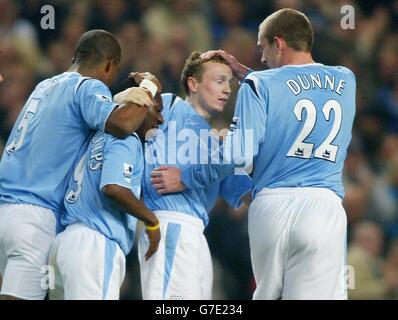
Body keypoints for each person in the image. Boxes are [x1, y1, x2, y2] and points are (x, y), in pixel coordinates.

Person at [155, 8, 356, 300]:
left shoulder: (259, 86)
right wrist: (247, 75)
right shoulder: (345, 81)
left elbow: (237, 155)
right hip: (323, 207)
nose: (261, 59)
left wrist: (186, 177)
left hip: (271, 207)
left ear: (279, 43)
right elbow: (299, 91)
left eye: (262, 48)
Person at [0, 29, 161, 300]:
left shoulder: (44, 86)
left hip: (6, 211)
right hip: (36, 215)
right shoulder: (87, 87)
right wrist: (149, 88)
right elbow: (122, 124)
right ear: (109, 64)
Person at [139, 52, 251, 300]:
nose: (228, 89)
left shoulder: (221, 144)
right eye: (219, 80)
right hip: (166, 224)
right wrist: (145, 82)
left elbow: (247, 195)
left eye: (230, 82)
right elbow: (123, 117)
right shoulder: (166, 106)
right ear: (193, 83)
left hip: (197, 236)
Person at [48, 93, 164, 300]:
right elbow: (114, 188)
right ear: (137, 107)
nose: (160, 119)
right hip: (94, 244)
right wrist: (152, 221)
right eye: (156, 110)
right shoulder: (127, 139)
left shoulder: (93, 136)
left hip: (64, 243)